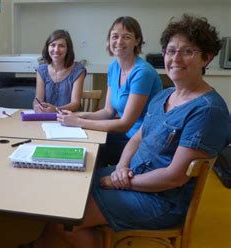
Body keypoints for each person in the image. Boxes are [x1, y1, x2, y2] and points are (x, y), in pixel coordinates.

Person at [21, 14, 230, 248]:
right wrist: (121, 167)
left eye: (188, 51)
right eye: (170, 51)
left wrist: (119, 182)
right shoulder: (165, 94)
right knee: (67, 186)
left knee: (67, 216)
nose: (176, 59)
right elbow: (138, 136)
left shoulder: (208, 111)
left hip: (160, 201)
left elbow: (174, 177)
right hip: (133, 174)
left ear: (207, 57)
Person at [58, 16, 162, 166]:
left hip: (140, 142)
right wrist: (76, 115)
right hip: (123, 135)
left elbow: (125, 124)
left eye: (126, 37)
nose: (119, 42)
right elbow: (108, 112)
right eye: (115, 36)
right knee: (76, 145)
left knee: (87, 154)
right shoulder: (114, 67)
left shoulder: (142, 72)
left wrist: (78, 122)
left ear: (137, 41)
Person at [33, 29, 86, 113]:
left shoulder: (78, 70)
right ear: (47, 47)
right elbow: (38, 99)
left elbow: (75, 104)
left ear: (68, 49)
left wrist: (56, 109)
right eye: (52, 45)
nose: (56, 49)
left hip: (71, 120)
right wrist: (38, 107)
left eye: (61, 46)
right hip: (47, 120)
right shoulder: (41, 70)